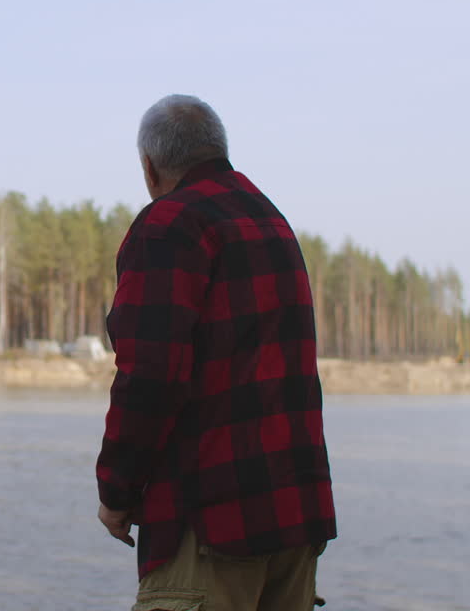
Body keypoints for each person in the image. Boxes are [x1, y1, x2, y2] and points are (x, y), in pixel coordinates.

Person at [96, 95, 336, 611]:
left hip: (210, 520)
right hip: (295, 519)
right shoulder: (272, 221)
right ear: (219, 149)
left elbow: (151, 375)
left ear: (149, 167)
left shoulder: (169, 224)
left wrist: (117, 491)